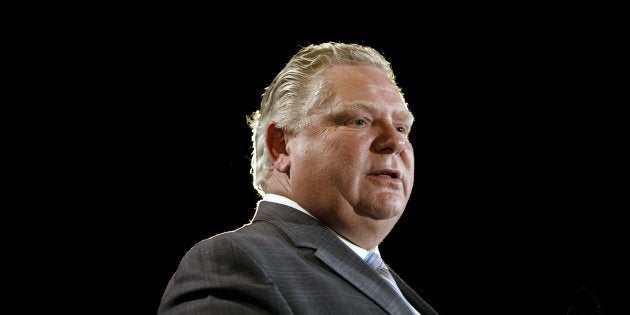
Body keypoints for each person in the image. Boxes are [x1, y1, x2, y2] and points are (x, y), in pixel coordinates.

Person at [158, 42, 439, 315]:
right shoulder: (237, 262)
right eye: (359, 121)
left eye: (402, 127)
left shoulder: (383, 277)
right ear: (281, 145)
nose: (396, 141)